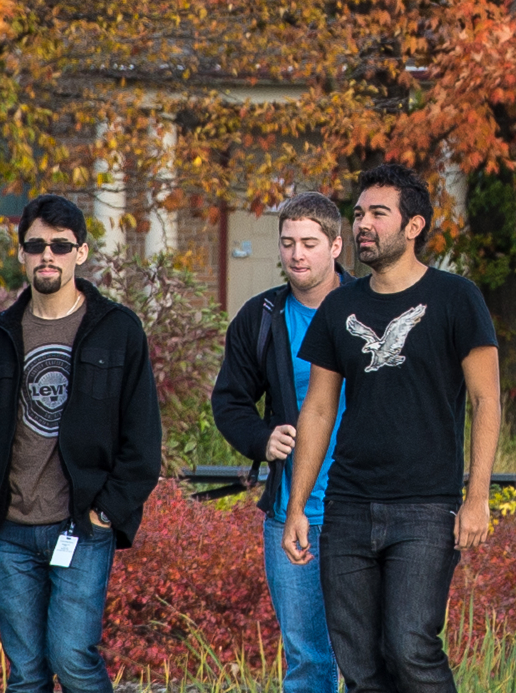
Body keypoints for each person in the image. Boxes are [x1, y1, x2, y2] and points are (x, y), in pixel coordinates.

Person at [280, 162, 502, 693]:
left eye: (378, 213)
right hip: (348, 506)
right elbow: (317, 410)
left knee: (410, 647)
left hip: (426, 507)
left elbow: (486, 400)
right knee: (359, 667)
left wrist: (477, 498)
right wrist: (296, 505)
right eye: (358, 214)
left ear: (413, 225)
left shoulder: (456, 297)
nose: (363, 224)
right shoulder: (340, 305)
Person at [0, 194, 163, 693]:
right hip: (9, 532)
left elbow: (143, 440)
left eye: (61, 246)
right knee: (25, 675)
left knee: (72, 658)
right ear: (21, 253)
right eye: (37, 245)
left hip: (83, 527)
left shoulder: (117, 330)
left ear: (81, 253)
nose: (48, 255)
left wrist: (105, 513)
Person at [210, 192, 353, 693]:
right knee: (308, 663)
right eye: (288, 242)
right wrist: (261, 437)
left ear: (336, 245)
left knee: (371, 658)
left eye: (310, 243)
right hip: (294, 517)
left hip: (364, 510)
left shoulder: (370, 307)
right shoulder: (262, 317)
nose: (297, 254)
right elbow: (228, 402)